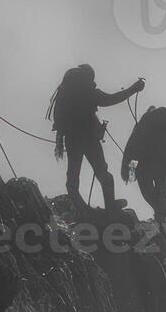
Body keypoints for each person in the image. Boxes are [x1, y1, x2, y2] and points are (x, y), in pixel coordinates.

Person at [48, 65, 145, 212]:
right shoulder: (89, 92)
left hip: (71, 138)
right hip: (88, 139)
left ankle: (81, 207)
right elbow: (110, 99)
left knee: (73, 174)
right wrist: (133, 89)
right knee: (103, 173)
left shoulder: (67, 92)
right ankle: (110, 206)